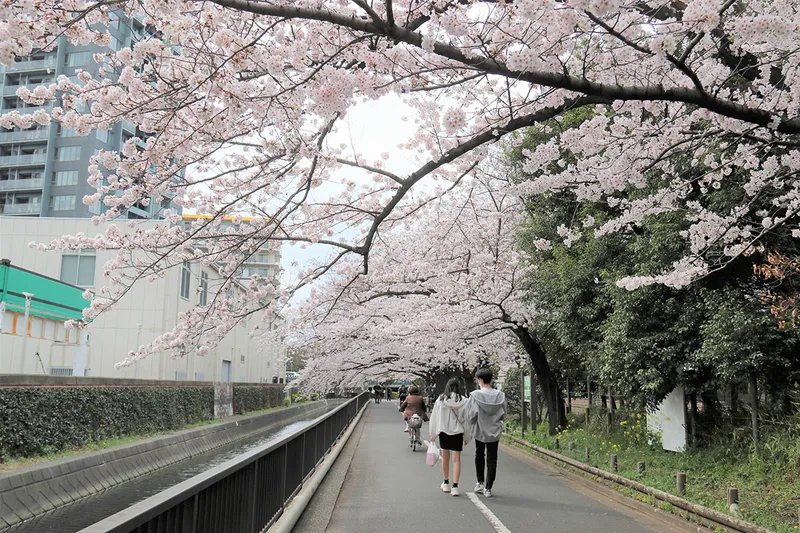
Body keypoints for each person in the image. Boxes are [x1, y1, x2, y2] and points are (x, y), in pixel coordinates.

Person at [466, 368, 507, 498]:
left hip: (479, 430)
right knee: (492, 459)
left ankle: (480, 483)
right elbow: (504, 413)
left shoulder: (475, 395)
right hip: (494, 431)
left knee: (479, 455)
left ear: (481, 380)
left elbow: (471, 414)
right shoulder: (501, 396)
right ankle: (488, 488)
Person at [428, 378, 470, 497]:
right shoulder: (464, 401)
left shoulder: (441, 400)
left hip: (444, 432)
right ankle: (455, 487)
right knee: (456, 460)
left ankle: (446, 483)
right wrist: (467, 437)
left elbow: (435, 417)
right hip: (457, 433)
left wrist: (433, 433)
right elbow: (467, 420)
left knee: (445, 458)